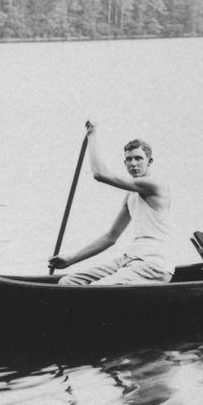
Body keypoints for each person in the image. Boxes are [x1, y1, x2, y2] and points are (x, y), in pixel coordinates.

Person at [48, 122, 176, 285]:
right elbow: (110, 237)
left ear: (149, 161)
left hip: (154, 266)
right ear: (125, 163)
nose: (133, 164)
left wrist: (92, 135)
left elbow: (100, 174)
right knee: (67, 283)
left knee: (94, 290)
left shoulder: (154, 185)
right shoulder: (132, 194)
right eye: (129, 159)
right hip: (131, 259)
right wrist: (69, 260)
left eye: (138, 158)